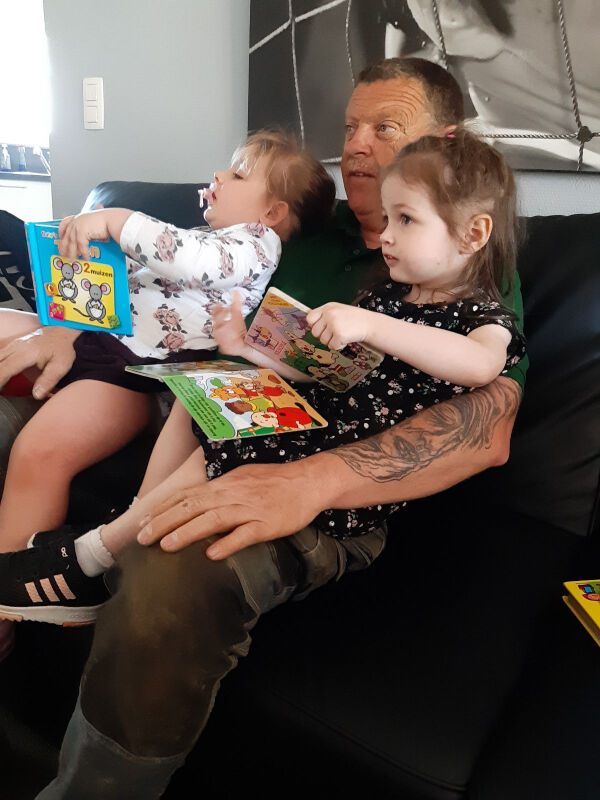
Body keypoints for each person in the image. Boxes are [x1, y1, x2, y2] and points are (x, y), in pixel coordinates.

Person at [0, 58, 527, 798]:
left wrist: (310, 481)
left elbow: (488, 415)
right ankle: (73, 572)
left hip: (319, 461)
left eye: (385, 127)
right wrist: (66, 328)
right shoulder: (310, 228)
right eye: (350, 125)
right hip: (212, 395)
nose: (356, 145)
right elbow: (179, 296)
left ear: (440, 144)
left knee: (176, 557)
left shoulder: (468, 285)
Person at [0, 127, 526, 626]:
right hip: (313, 418)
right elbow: (326, 371)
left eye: (405, 220)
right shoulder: (386, 295)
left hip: (343, 464)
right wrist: (245, 348)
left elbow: (481, 365)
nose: (385, 236)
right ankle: (133, 520)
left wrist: (372, 325)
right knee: (205, 398)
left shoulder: (483, 316)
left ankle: (93, 556)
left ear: (473, 234)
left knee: (218, 453)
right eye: (387, 219)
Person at [0, 129, 336, 648]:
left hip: (129, 375)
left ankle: (7, 605)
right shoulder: (201, 236)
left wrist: (114, 221)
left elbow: (185, 256)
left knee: (39, 452)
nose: (218, 176)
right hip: (94, 333)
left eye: (238, 174)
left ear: (272, 213)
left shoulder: (252, 246)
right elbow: (138, 273)